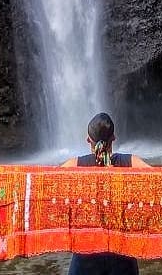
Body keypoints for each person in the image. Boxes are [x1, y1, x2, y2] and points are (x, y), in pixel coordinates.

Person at [61, 112, 149, 275]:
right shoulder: (131, 163)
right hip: (123, 254)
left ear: (88, 140)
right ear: (114, 138)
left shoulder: (74, 166)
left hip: (85, 253)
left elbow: (40, 186)